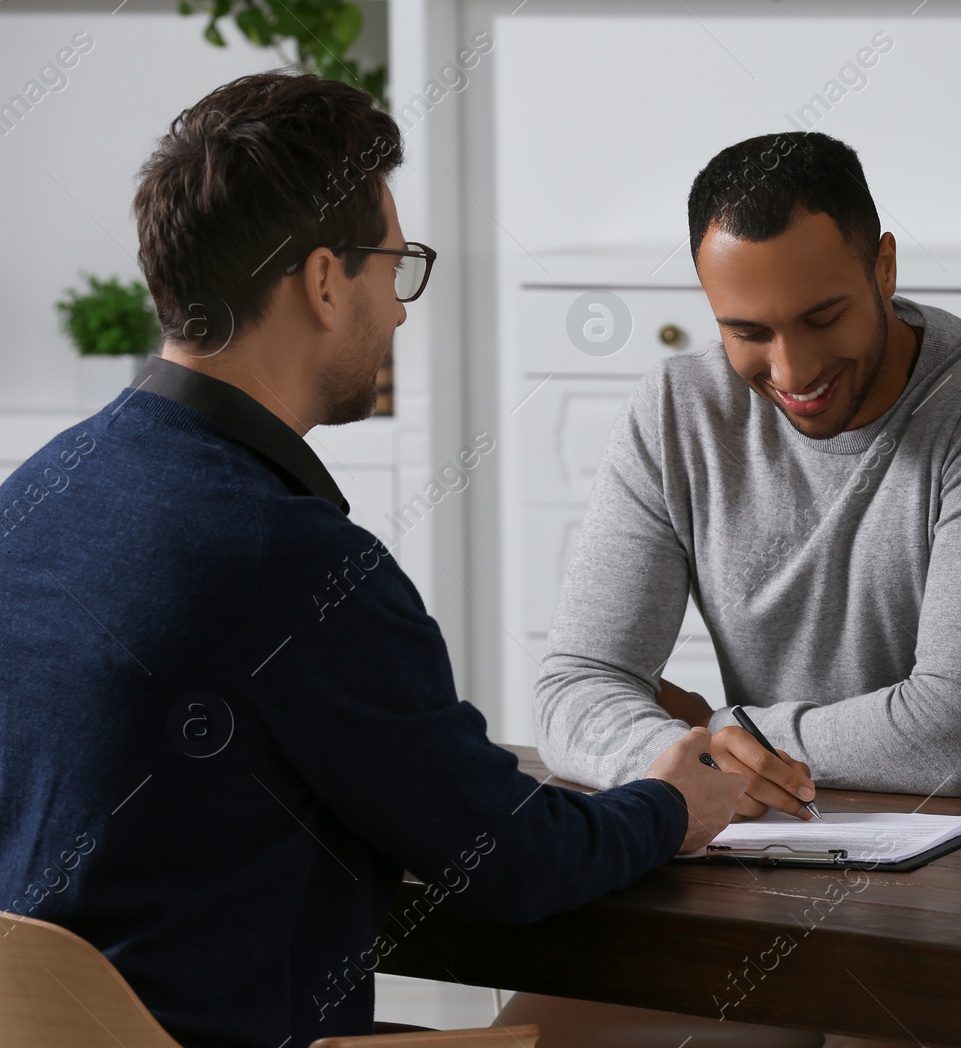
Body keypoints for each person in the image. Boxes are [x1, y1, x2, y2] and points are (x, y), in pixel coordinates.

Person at [0, 71, 746, 1048]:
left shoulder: (30, 499)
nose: (398, 311)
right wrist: (672, 802)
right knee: (712, 1006)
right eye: (395, 267)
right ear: (321, 280)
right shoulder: (288, 560)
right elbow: (509, 859)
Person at [531, 131, 961, 814]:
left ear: (885, 268)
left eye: (822, 318)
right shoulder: (676, 412)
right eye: (748, 332)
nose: (793, 371)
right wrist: (688, 759)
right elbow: (575, 687)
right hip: (779, 837)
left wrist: (720, 732)